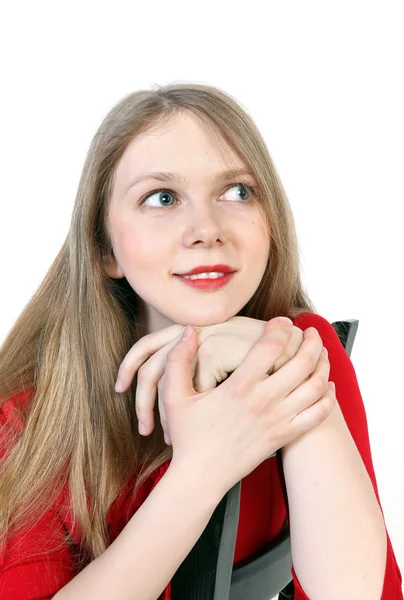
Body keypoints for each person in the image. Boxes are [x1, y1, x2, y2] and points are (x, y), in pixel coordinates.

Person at [0, 82, 402, 600]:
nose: (206, 229)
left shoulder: (301, 349)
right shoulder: (28, 419)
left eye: (238, 192)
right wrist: (204, 469)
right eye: (161, 198)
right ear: (106, 250)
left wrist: (286, 366)